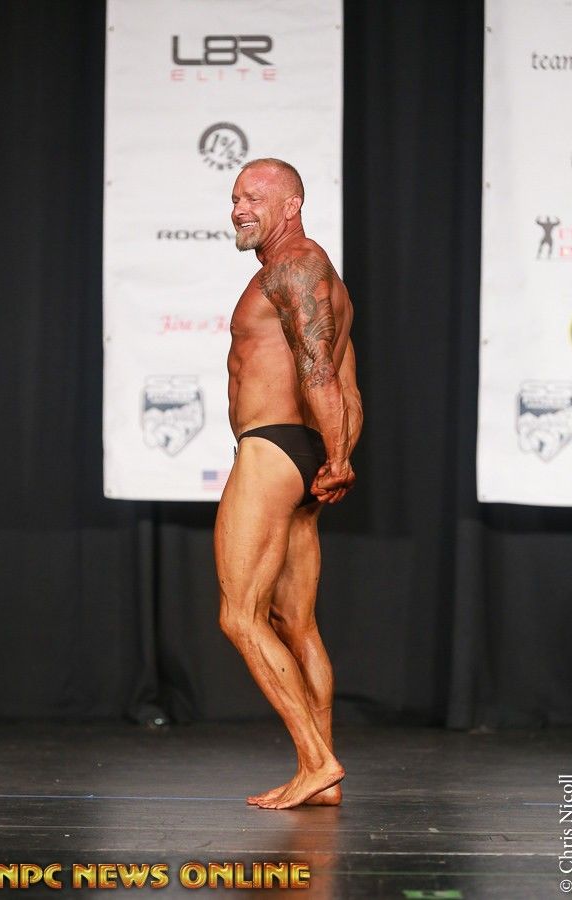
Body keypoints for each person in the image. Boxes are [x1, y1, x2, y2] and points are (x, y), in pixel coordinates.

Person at [214, 158, 363, 809]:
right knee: (295, 621)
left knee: (239, 615)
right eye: (235, 198)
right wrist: (334, 454)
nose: (239, 209)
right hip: (300, 455)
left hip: (272, 449)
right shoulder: (320, 275)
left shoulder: (295, 265)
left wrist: (340, 457)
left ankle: (316, 760)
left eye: (254, 197)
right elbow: (347, 379)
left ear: (292, 203)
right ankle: (323, 777)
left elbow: (320, 373)